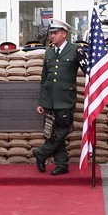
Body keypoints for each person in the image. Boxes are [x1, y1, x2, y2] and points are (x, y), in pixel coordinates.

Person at [32, 19, 86, 176]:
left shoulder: (76, 50)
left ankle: (40, 153)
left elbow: (88, 70)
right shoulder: (49, 52)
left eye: (55, 33)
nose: (52, 36)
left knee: (63, 130)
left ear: (64, 34)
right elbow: (44, 78)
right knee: (52, 132)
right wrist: (41, 101)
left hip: (65, 99)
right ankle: (62, 164)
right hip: (49, 99)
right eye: (51, 33)